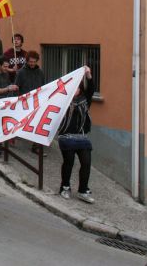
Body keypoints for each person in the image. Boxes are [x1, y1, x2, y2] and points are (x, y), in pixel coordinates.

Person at [57, 67, 95, 204]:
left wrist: (88, 75)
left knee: (86, 162)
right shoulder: (63, 101)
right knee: (69, 162)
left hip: (81, 137)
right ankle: (65, 187)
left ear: (80, 90)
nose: (75, 91)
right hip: (66, 137)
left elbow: (91, 88)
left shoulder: (85, 100)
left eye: (77, 88)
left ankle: (83, 190)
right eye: (73, 89)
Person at [15, 51, 47, 155]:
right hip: (25, 101)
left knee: (38, 122)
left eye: (34, 62)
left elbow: (43, 86)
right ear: (27, 61)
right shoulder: (21, 72)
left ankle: (36, 146)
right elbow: (17, 87)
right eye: (30, 62)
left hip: (37, 101)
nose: (32, 64)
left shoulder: (40, 72)